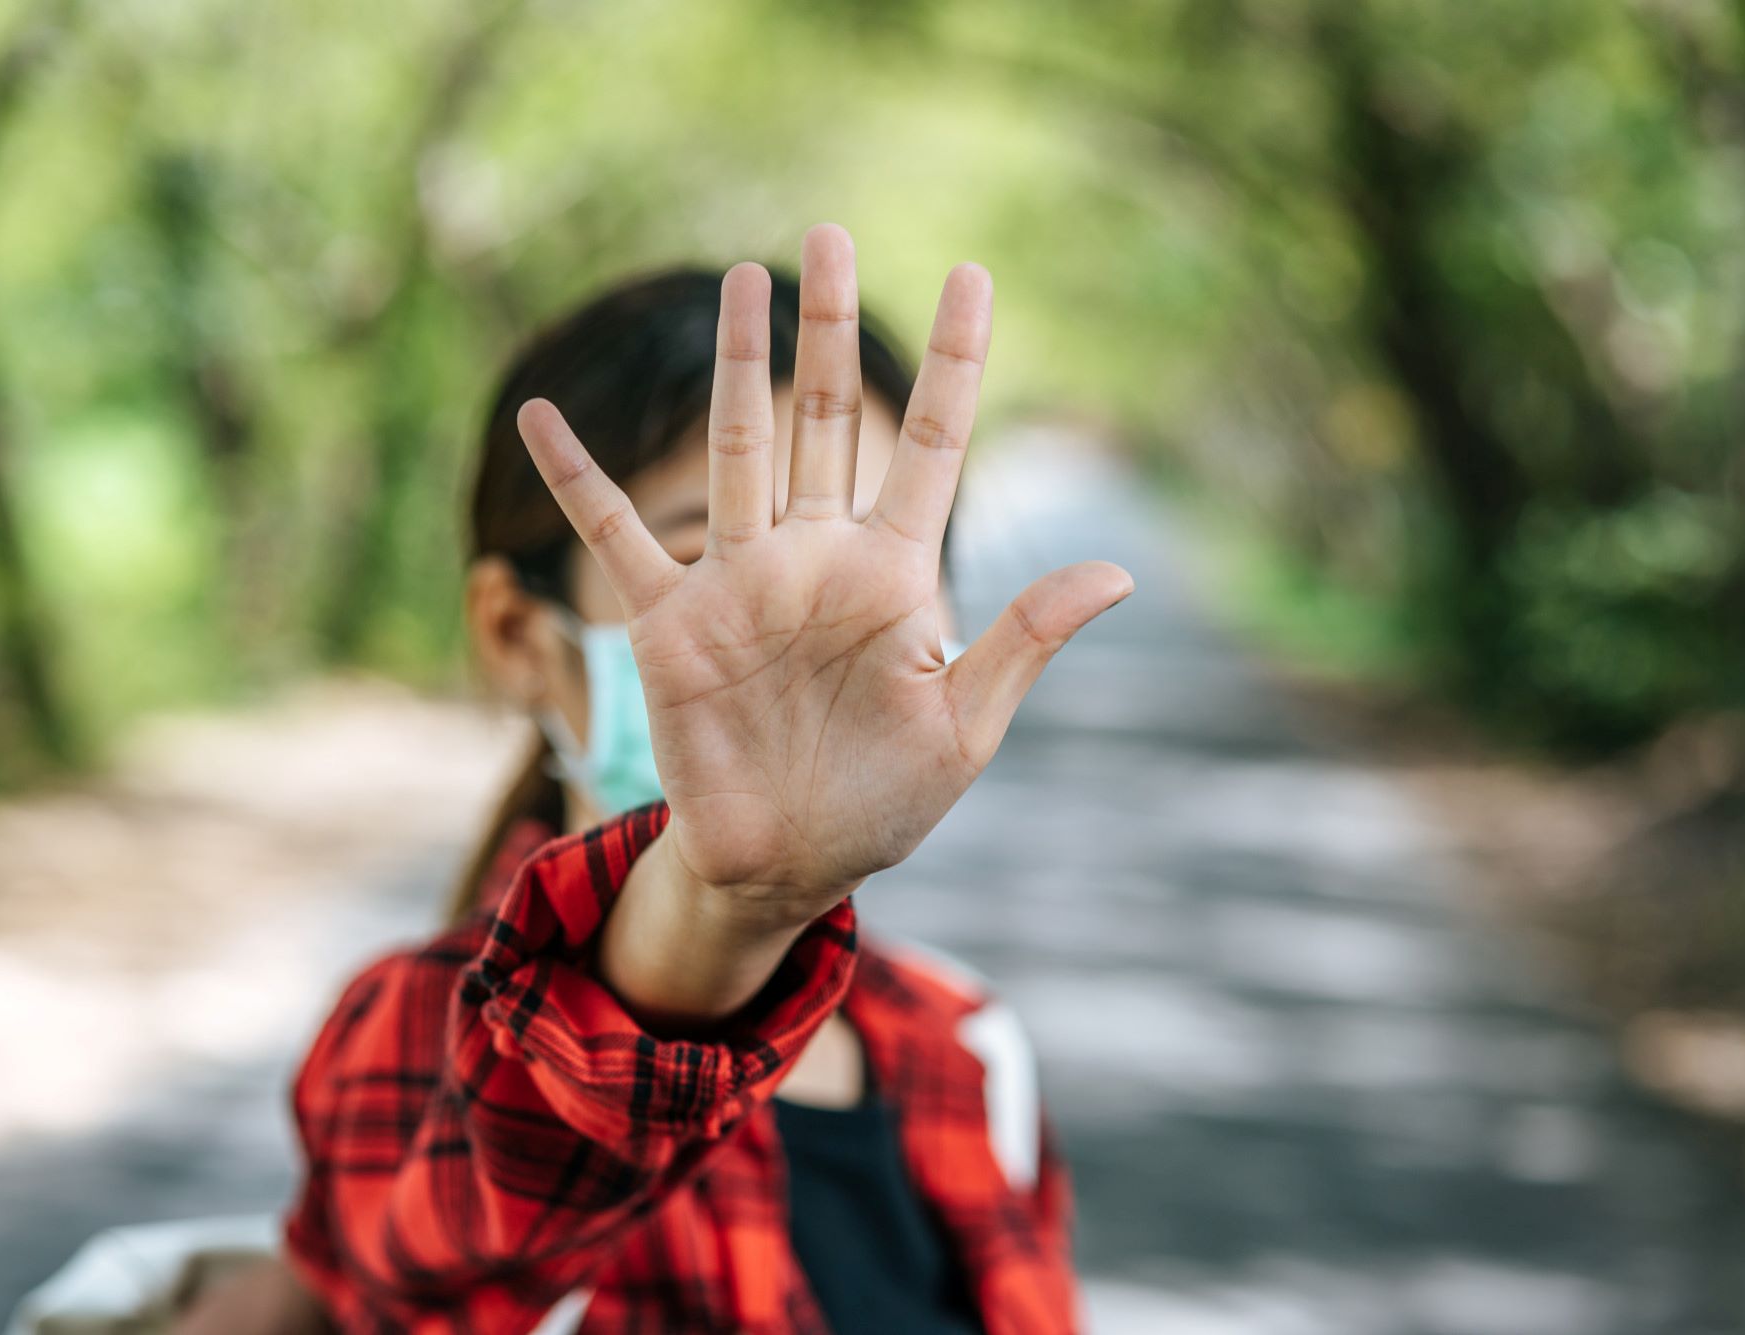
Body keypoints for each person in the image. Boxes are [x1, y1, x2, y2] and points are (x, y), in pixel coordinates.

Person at [179, 224, 1132, 1334]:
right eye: (702, 562)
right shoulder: (414, 1048)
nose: (797, 634)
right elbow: (504, 1179)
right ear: (517, 637)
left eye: (870, 565)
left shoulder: (964, 1049)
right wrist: (734, 901)